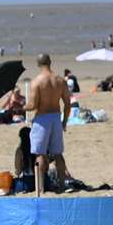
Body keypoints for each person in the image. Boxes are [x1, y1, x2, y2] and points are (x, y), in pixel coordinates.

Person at [26, 54, 73, 196]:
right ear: (50, 62)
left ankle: (39, 188)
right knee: (58, 154)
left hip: (42, 119)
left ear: (38, 64)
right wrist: (64, 121)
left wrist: (22, 107)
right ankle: (62, 185)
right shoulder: (60, 80)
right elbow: (67, 104)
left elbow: (33, 105)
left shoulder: (37, 82)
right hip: (56, 117)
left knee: (40, 154)